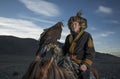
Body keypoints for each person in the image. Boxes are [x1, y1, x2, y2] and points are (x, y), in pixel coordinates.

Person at [63, 11, 95, 79]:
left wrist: (85, 64)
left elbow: (91, 53)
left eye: (75, 24)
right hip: (68, 61)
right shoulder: (68, 37)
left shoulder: (87, 35)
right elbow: (64, 50)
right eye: (71, 24)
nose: (73, 26)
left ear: (80, 25)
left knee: (84, 76)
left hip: (81, 63)